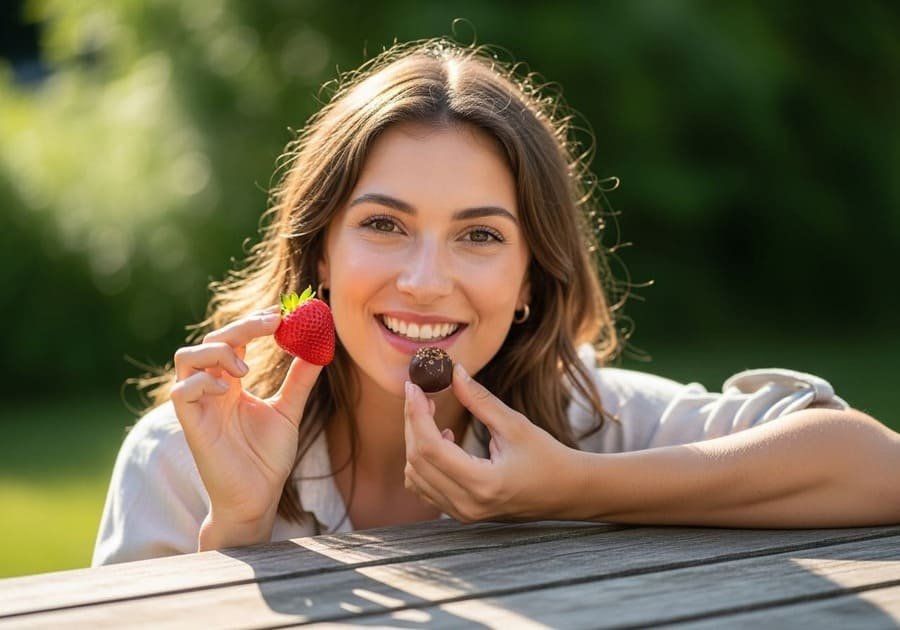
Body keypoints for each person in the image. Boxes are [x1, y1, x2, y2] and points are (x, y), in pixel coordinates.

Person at [92, 37, 900, 566]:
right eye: (384, 225)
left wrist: (567, 487)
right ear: (321, 257)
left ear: (528, 283)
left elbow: (877, 468)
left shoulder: (583, 417)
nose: (425, 279)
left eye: (478, 236)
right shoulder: (183, 458)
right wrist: (239, 533)